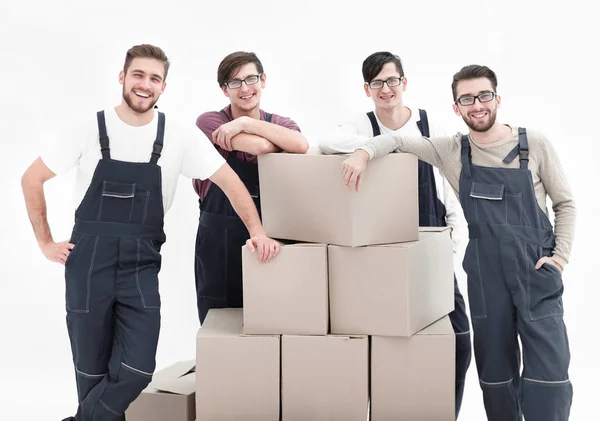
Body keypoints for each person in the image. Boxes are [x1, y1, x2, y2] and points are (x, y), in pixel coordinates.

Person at [20, 44, 280, 421]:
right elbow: (32, 179)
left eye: (154, 78)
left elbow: (229, 182)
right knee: (91, 371)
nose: (145, 84)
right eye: (138, 75)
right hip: (88, 262)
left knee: (137, 369)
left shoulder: (177, 135)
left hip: (140, 265)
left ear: (163, 87)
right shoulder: (89, 128)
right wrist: (45, 243)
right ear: (123, 78)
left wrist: (256, 230)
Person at [340, 64, 574, 421]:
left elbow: (565, 203)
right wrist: (363, 153)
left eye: (483, 95)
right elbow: (398, 140)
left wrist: (560, 257)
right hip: (486, 274)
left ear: (497, 98)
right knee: (495, 372)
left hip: (535, 269)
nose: (476, 105)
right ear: (456, 107)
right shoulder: (452, 151)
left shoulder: (533, 143)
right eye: (466, 99)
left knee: (550, 375)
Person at [319, 51, 472, 419]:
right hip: (378, 250)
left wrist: (449, 245)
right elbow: (325, 143)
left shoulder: (428, 125)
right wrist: (364, 149)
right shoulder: (360, 124)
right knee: (381, 345)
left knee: (458, 340)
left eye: (391, 81)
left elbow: (450, 190)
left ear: (404, 83)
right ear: (367, 89)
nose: (385, 89)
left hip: (429, 244)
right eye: (376, 83)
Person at [192, 51, 308, 324]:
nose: (245, 88)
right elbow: (259, 147)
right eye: (235, 82)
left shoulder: (283, 123)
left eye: (251, 79)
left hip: (272, 240)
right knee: (219, 325)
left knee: (270, 323)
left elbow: (301, 145)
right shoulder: (209, 122)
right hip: (217, 242)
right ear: (224, 89)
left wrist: (244, 123)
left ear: (263, 80)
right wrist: (277, 142)